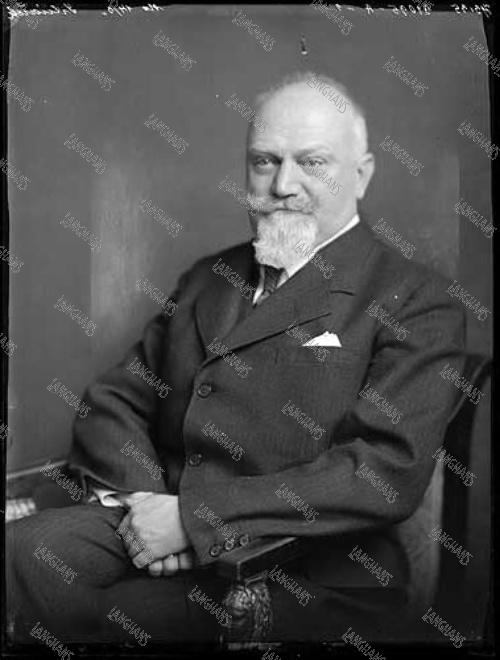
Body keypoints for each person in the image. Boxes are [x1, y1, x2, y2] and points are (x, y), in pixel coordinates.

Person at [7, 71, 465, 644]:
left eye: (312, 162)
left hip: (306, 566)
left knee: (111, 619)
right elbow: (117, 399)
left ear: (362, 174)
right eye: (265, 161)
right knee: (24, 553)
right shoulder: (209, 277)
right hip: (165, 516)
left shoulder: (419, 301)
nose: (283, 185)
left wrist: (193, 518)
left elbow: (382, 473)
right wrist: (147, 508)